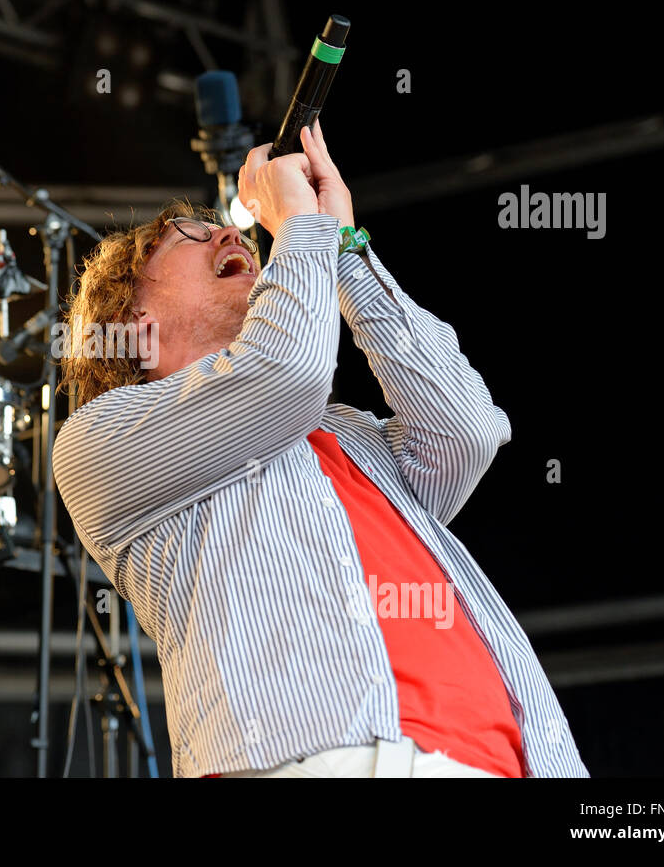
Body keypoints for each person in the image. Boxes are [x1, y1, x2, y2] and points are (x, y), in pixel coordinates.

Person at [53, 121, 587, 778]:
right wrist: (302, 227)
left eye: (228, 230)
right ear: (138, 325)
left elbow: (467, 428)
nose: (232, 234)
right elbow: (286, 374)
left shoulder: (351, 435)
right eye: (190, 241)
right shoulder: (102, 438)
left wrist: (344, 246)